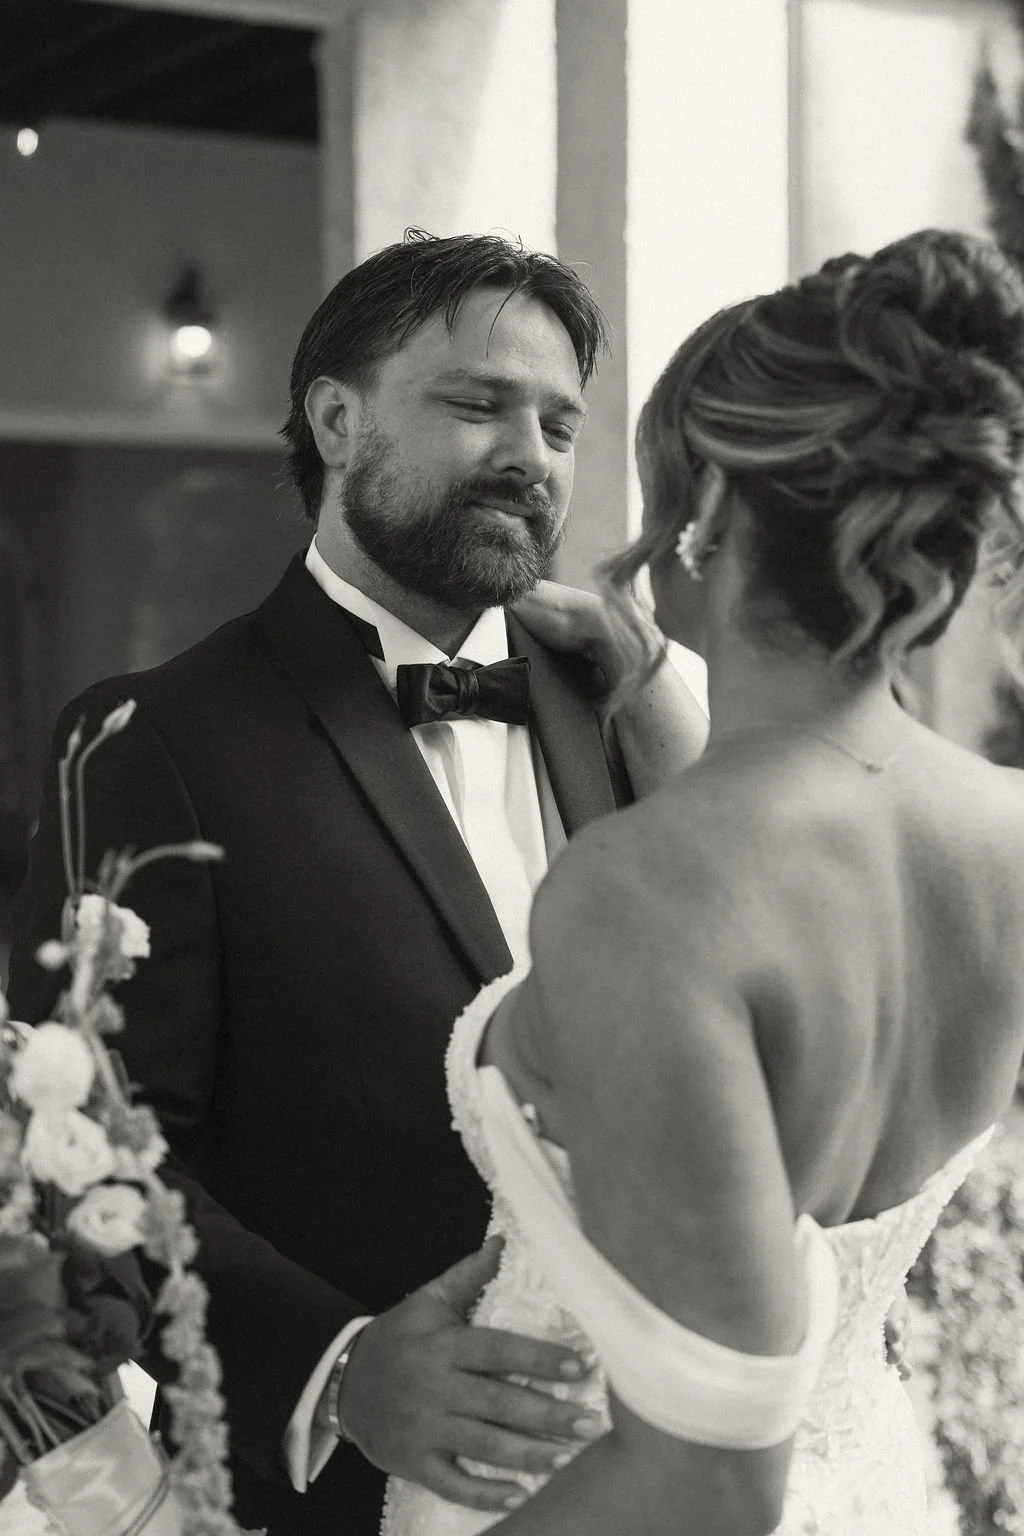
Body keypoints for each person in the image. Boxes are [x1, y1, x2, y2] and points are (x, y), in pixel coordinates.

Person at [6, 232, 707, 1536]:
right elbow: (85, 1154)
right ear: (336, 418)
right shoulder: (153, 739)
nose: (530, 455)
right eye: (477, 403)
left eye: (560, 424)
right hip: (348, 1495)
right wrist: (339, 1369)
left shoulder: (630, 707)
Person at [380, 228, 1024, 1536]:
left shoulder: (643, 889)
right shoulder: (1001, 830)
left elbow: (707, 1478)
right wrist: (663, 700)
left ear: (713, 512)